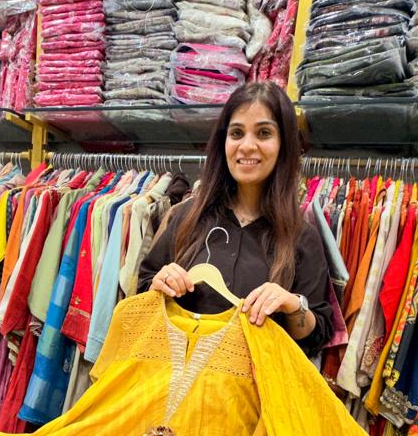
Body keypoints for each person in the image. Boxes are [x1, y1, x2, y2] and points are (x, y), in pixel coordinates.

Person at [137, 81, 333, 355]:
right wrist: (159, 283)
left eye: (264, 133)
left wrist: (292, 305)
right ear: (224, 142)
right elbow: (143, 290)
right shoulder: (185, 217)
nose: (247, 146)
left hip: (255, 394)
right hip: (174, 388)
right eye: (237, 133)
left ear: (284, 144)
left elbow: (316, 337)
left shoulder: (302, 238)